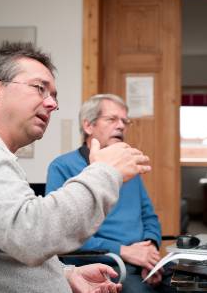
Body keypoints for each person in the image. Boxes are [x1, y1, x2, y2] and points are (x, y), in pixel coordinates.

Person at [0, 42, 152, 293]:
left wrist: (65, 274)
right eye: (40, 88)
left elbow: (6, 248)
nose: (52, 104)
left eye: (54, 97)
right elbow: (31, 235)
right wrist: (105, 172)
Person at [46, 94, 173, 293]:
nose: (121, 126)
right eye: (112, 119)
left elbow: (149, 216)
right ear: (88, 126)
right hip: (105, 264)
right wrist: (124, 251)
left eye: (124, 120)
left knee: (192, 283)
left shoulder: (128, 165)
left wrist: (150, 250)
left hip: (142, 261)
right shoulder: (63, 167)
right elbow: (62, 233)